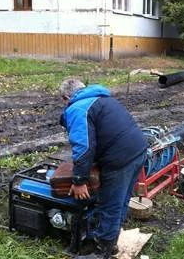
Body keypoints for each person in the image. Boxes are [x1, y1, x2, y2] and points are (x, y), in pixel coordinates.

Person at [59, 78, 148, 259]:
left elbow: (83, 147)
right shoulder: (102, 98)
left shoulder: (77, 108)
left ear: (66, 98)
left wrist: (79, 180)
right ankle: (111, 243)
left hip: (120, 159)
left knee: (110, 205)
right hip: (138, 151)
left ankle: (100, 253)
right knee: (121, 202)